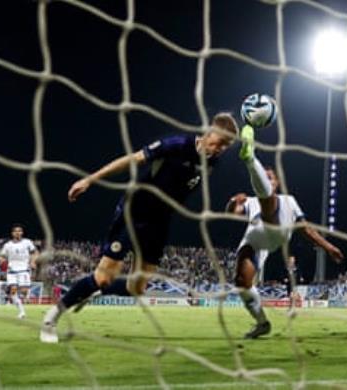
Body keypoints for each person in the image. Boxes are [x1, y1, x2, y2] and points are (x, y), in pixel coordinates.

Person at [40, 113, 238, 343]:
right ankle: (50, 319)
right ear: (209, 131)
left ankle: (93, 290)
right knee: (104, 276)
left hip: (160, 222)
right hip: (135, 212)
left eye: (226, 146)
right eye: (219, 142)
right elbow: (132, 159)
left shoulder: (211, 161)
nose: (220, 149)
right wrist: (89, 180)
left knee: (137, 287)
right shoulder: (176, 145)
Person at [226, 125, 344, 339]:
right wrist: (233, 201)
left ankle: (250, 158)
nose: (269, 179)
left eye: (270, 177)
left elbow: (305, 229)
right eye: (266, 176)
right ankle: (262, 323)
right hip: (254, 240)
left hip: (277, 229)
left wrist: (328, 247)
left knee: (268, 202)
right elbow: (232, 213)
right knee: (241, 283)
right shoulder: (251, 201)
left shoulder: (288, 200)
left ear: (278, 182)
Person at [0, 224, 39, 318]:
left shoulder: (27, 242)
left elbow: (35, 253)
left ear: (22, 232)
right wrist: (1, 260)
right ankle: (22, 312)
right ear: (12, 233)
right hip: (12, 271)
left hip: (24, 270)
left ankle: (25, 297)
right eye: (15, 231)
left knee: (24, 291)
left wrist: (33, 262)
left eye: (19, 231)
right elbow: (2, 256)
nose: (18, 232)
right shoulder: (7, 245)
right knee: (13, 291)